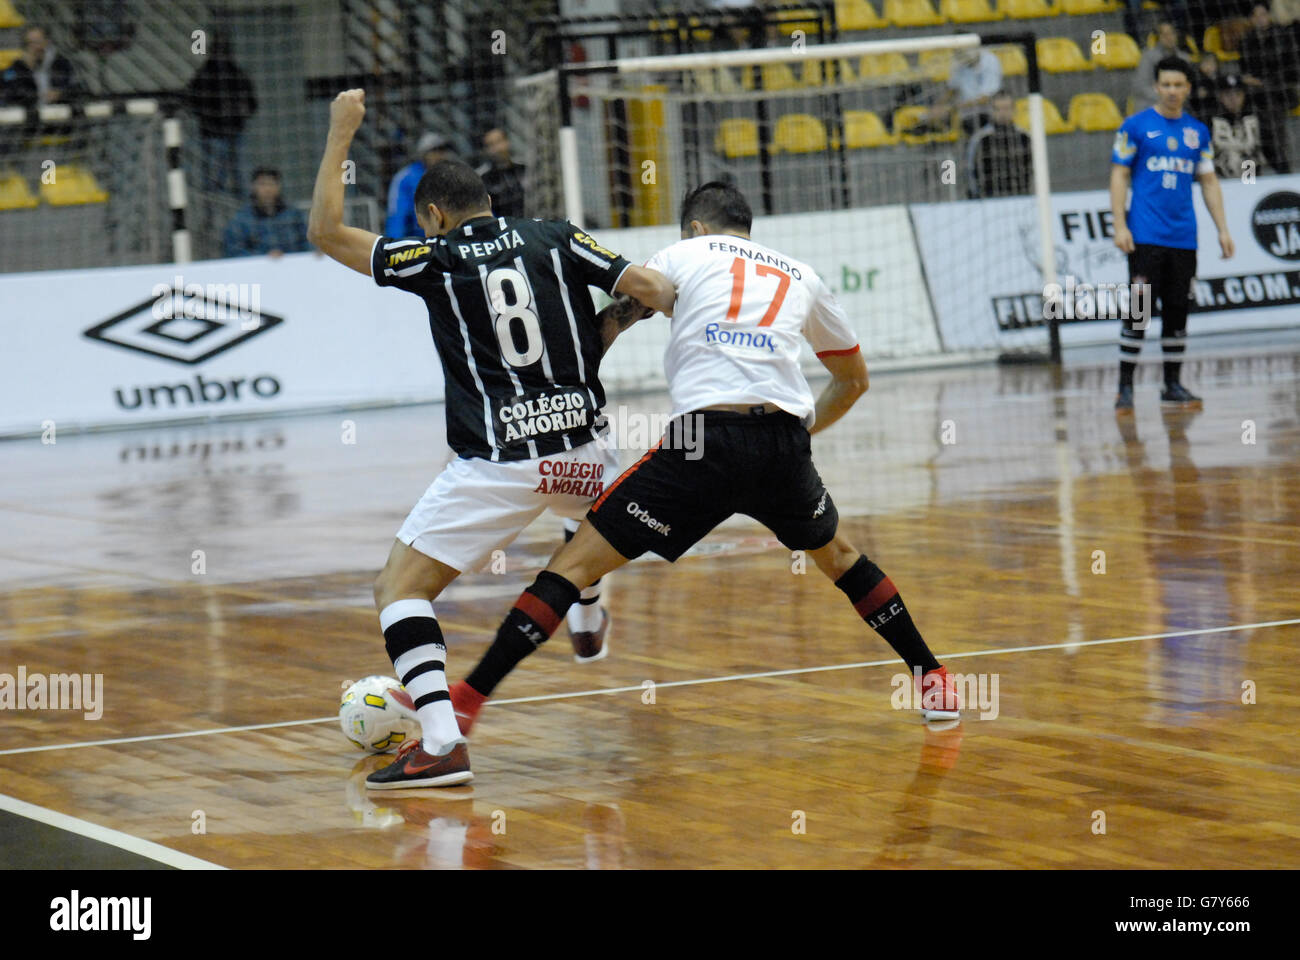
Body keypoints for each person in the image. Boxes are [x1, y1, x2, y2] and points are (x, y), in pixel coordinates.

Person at [442, 181, 965, 774]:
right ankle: (934, 679)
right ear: (746, 227)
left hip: (702, 444)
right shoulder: (801, 274)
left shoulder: (679, 259)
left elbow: (612, 323)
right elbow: (854, 381)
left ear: (693, 228)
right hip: (781, 445)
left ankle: (466, 703)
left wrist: (559, 381)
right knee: (843, 559)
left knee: (573, 566)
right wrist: (795, 437)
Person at [306, 89, 676, 790]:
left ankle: (442, 743)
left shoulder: (435, 257)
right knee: (582, 521)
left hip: (502, 465)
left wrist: (341, 130)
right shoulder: (558, 237)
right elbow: (652, 290)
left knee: (399, 590)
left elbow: (326, 231)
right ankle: (588, 598)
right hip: (587, 457)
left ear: (435, 216)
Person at [1111, 57, 1235, 413]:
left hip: (1183, 237)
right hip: (1145, 235)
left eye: (1178, 85)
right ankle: (1125, 388)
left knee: (1178, 310)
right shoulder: (1135, 127)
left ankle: (1172, 384)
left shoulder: (1198, 132)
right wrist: (1120, 225)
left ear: (1188, 89)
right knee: (1139, 311)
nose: (1172, 91)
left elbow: (1209, 181)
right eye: (1166, 84)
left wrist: (1223, 229)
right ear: (1156, 87)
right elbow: (1119, 175)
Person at [185, 34, 257, 195]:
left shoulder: (237, 74)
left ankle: (241, 214)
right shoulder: (204, 75)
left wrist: (241, 110)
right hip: (213, 135)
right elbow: (192, 102)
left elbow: (252, 104)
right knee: (214, 179)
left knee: (240, 177)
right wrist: (213, 113)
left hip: (235, 133)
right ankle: (212, 214)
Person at [1239, 2, 1300, 173]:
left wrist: (1264, 83)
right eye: (1256, 15)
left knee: (1273, 139)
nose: (1260, 19)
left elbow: (1292, 71)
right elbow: (1244, 71)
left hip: (1278, 96)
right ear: (1251, 18)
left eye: (1263, 14)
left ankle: (1284, 174)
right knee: (1248, 139)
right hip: (1252, 97)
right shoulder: (1246, 41)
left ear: (1269, 16)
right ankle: (1249, 179)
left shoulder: (1283, 37)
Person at [221, 168, 310, 258]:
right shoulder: (241, 219)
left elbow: (307, 241)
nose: (268, 189)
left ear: (279, 186)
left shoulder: (294, 214)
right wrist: (264, 257)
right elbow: (233, 251)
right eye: (262, 184)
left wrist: (314, 251)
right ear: (253, 187)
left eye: (272, 184)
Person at [965, 90, 1032, 199]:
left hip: (1022, 196)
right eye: (997, 109)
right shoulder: (980, 139)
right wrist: (976, 195)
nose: (1002, 113)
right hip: (988, 198)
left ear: (1014, 110)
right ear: (991, 111)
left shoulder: (1026, 137)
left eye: (1006, 108)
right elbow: (969, 170)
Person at [384, 132, 451, 237]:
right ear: (424, 154)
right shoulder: (406, 178)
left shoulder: (451, 175)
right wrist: (395, 245)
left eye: (442, 150)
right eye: (435, 150)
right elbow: (397, 216)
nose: (440, 155)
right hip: (416, 240)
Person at [1210, 73, 1266, 178]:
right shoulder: (1210, 121)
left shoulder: (1254, 119)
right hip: (1220, 181)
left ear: (1244, 95)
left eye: (1238, 94)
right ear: (1220, 96)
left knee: (1249, 158)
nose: (1233, 99)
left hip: (1250, 179)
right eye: (1228, 94)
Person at [1132, 21, 1194, 114]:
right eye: (1164, 34)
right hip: (1152, 103)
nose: (1169, 37)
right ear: (1159, 38)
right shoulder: (1148, 56)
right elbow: (1141, 87)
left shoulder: (1185, 58)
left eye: (1172, 33)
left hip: (1179, 106)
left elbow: (1189, 85)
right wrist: (1166, 98)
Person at [476, 127, 526, 218]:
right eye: (490, 145)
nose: (497, 148)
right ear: (486, 150)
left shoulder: (524, 168)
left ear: (507, 142)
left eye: (499, 142)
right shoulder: (482, 178)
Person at [1188, 52, 1221, 120]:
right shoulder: (1194, 77)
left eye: (1212, 63)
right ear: (1201, 64)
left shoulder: (1219, 78)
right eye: (1206, 62)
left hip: (1216, 113)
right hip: (1199, 113)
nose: (1209, 66)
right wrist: (1196, 94)